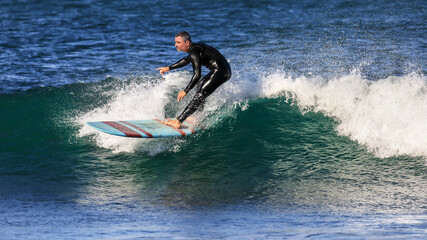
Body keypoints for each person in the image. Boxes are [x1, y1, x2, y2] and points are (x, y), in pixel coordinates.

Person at [156, 31, 232, 129]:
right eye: (175, 42)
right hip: (223, 70)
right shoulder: (194, 49)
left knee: (200, 95)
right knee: (199, 86)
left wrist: (185, 90)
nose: (175, 45)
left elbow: (197, 75)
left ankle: (178, 121)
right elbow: (186, 60)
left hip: (220, 72)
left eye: (178, 43)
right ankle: (198, 116)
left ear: (187, 43)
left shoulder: (194, 52)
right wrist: (169, 68)